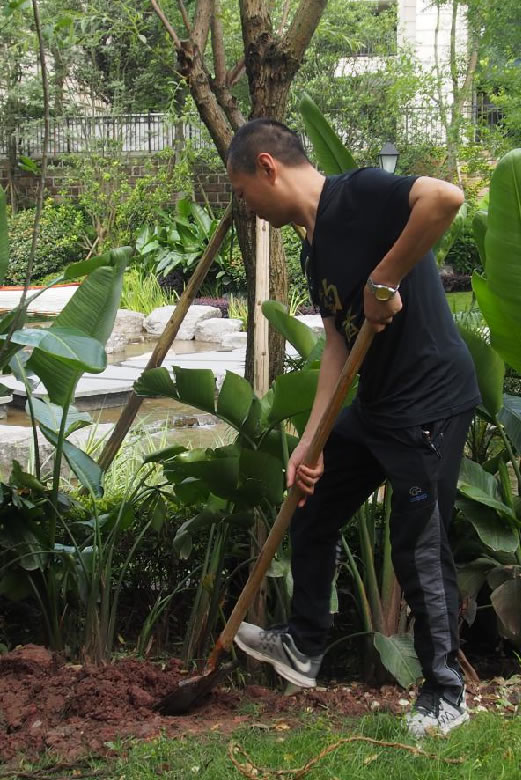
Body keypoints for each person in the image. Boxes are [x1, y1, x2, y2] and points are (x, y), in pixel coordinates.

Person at [226, 118, 480, 738]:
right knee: (310, 502)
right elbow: (338, 347)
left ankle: (446, 694)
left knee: (417, 545)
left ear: (267, 167)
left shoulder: (358, 193)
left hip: (429, 403)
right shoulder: (314, 249)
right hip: (378, 406)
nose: (245, 205)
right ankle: (305, 644)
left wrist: (384, 277)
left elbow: (445, 198)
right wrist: (311, 442)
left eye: (241, 190)